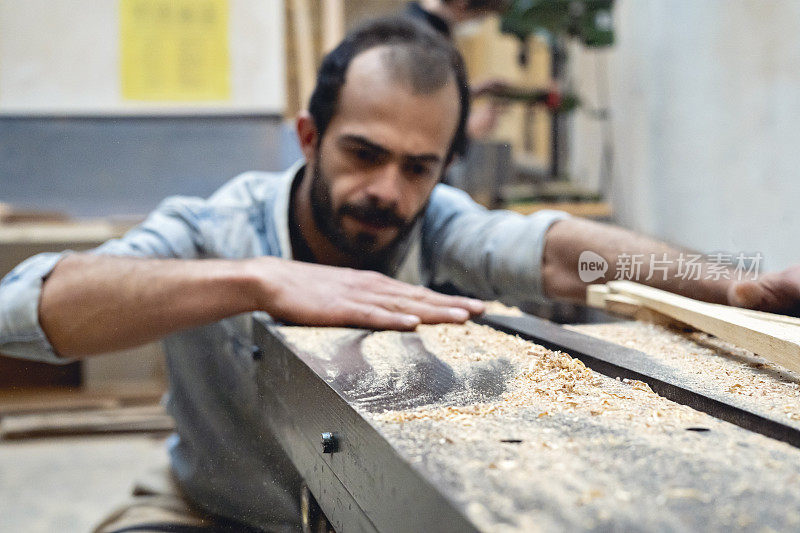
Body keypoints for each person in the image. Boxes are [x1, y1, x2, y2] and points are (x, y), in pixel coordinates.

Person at [1, 16, 798, 532]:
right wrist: (254, 279)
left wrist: (726, 285)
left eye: (419, 167)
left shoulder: (439, 220)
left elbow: (561, 251)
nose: (389, 190)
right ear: (310, 136)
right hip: (211, 512)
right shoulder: (216, 227)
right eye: (364, 154)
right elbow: (27, 309)